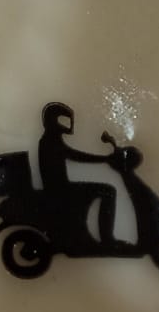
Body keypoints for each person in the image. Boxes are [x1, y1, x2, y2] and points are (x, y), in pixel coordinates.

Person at [37, 102, 117, 245]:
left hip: (59, 186)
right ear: (54, 121)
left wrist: (104, 159)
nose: (68, 125)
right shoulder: (50, 141)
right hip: (59, 188)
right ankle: (107, 239)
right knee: (108, 191)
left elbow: (73, 155)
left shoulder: (50, 140)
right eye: (64, 121)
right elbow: (75, 156)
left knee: (106, 190)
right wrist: (104, 159)